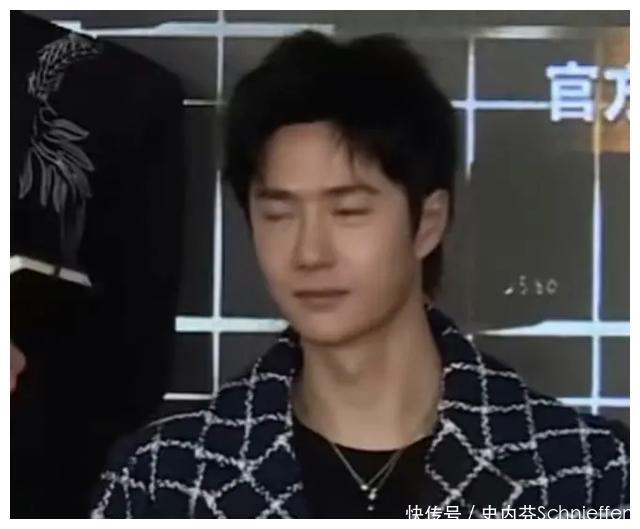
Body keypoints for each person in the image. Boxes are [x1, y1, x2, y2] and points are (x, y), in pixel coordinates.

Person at [89, 30, 630, 519]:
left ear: (428, 223)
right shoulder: (163, 479)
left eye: (348, 211)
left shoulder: (589, 473)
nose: (310, 253)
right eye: (278, 214)